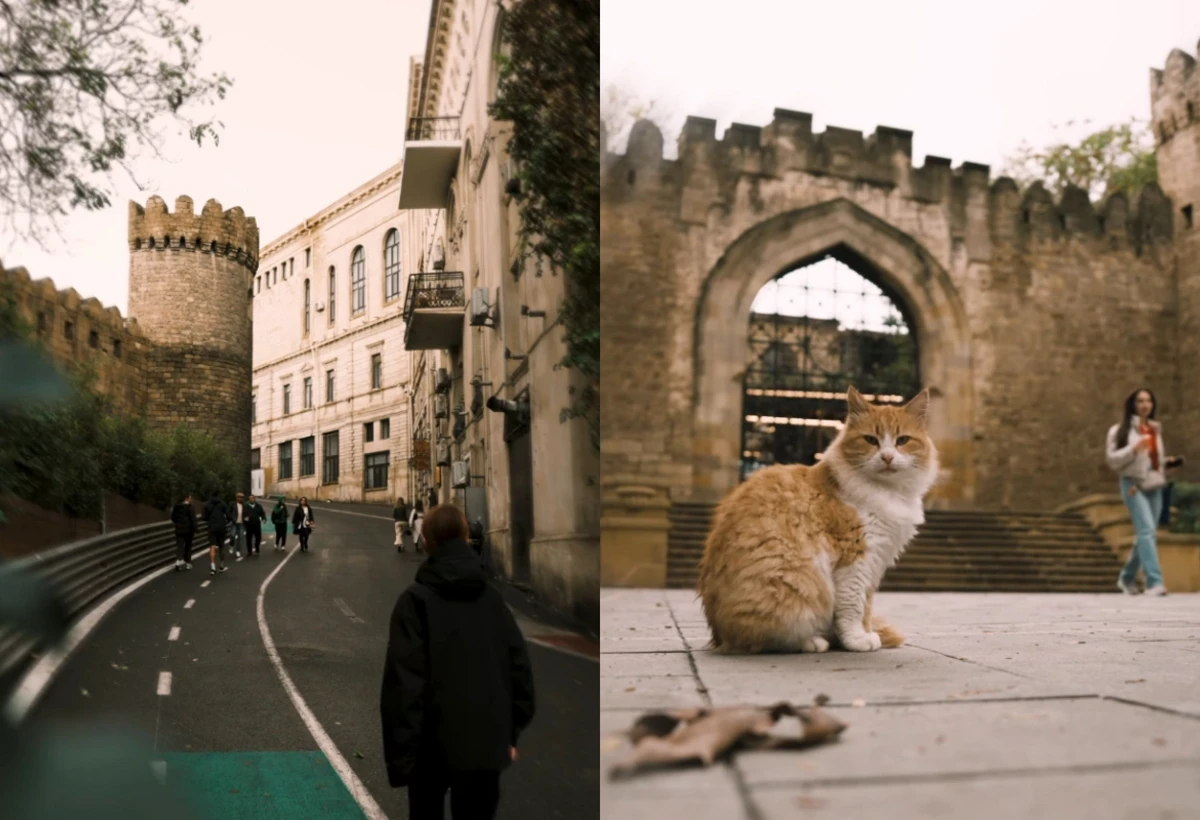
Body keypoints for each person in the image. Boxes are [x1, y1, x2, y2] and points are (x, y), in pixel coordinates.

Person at [380, 504, 535, 820]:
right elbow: (519, 670)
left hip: (430, 750)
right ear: (467, 537)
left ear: (427, 540)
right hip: (485, 745)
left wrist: (402, 758)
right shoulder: (492, 600)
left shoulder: (415, 601)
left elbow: (403, 685)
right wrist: (510, 733)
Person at [1106, 388, 1182, 596]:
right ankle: (1154, 582)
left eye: (1148, 401)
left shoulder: (1154, 429)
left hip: (1155, 483)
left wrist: (1166, 463)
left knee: (1146, 534)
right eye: (1140, 401)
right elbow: (1112, 460)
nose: (1144, 405)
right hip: (1132, 484)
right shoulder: (1118, 430)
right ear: (1132, 404)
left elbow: (1150, 462)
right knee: (1147, 531)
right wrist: (1134, 448)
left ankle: (1127, 577)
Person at [202, 491, 230, 576]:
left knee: (212, 546)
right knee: (221, 546)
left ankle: (213, 567)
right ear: (218, 495)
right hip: (221, 527)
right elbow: (228, 515)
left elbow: (204, 517)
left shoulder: (206, 504)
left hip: (212, 527)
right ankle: (221, 565)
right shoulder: (222, 504)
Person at [170, 492, 197, 571]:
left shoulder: (177, 507)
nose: (191, 499)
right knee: (188, 546)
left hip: (179, 530)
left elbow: (173, 517)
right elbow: (193, 519)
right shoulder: (190, 507)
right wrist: (195, 528)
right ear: (186, 498)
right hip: (189, 530)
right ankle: (188, 563)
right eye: (190, 498)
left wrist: (178, 524)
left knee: (180, 546)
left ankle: (178, 562)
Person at [230, 491, 248, 562]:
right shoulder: (232, 504)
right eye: (240, 497)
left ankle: (238, 550)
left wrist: (247, 518)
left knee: (240, 537)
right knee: (232, 535)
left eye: (242, 497)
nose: (241, 499)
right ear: (236, 497)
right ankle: (231, 545)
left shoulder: (244, 505)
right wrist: (232, 519)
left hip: (241, 523)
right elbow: (229, 512)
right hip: (235, 523)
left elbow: (247, 513)